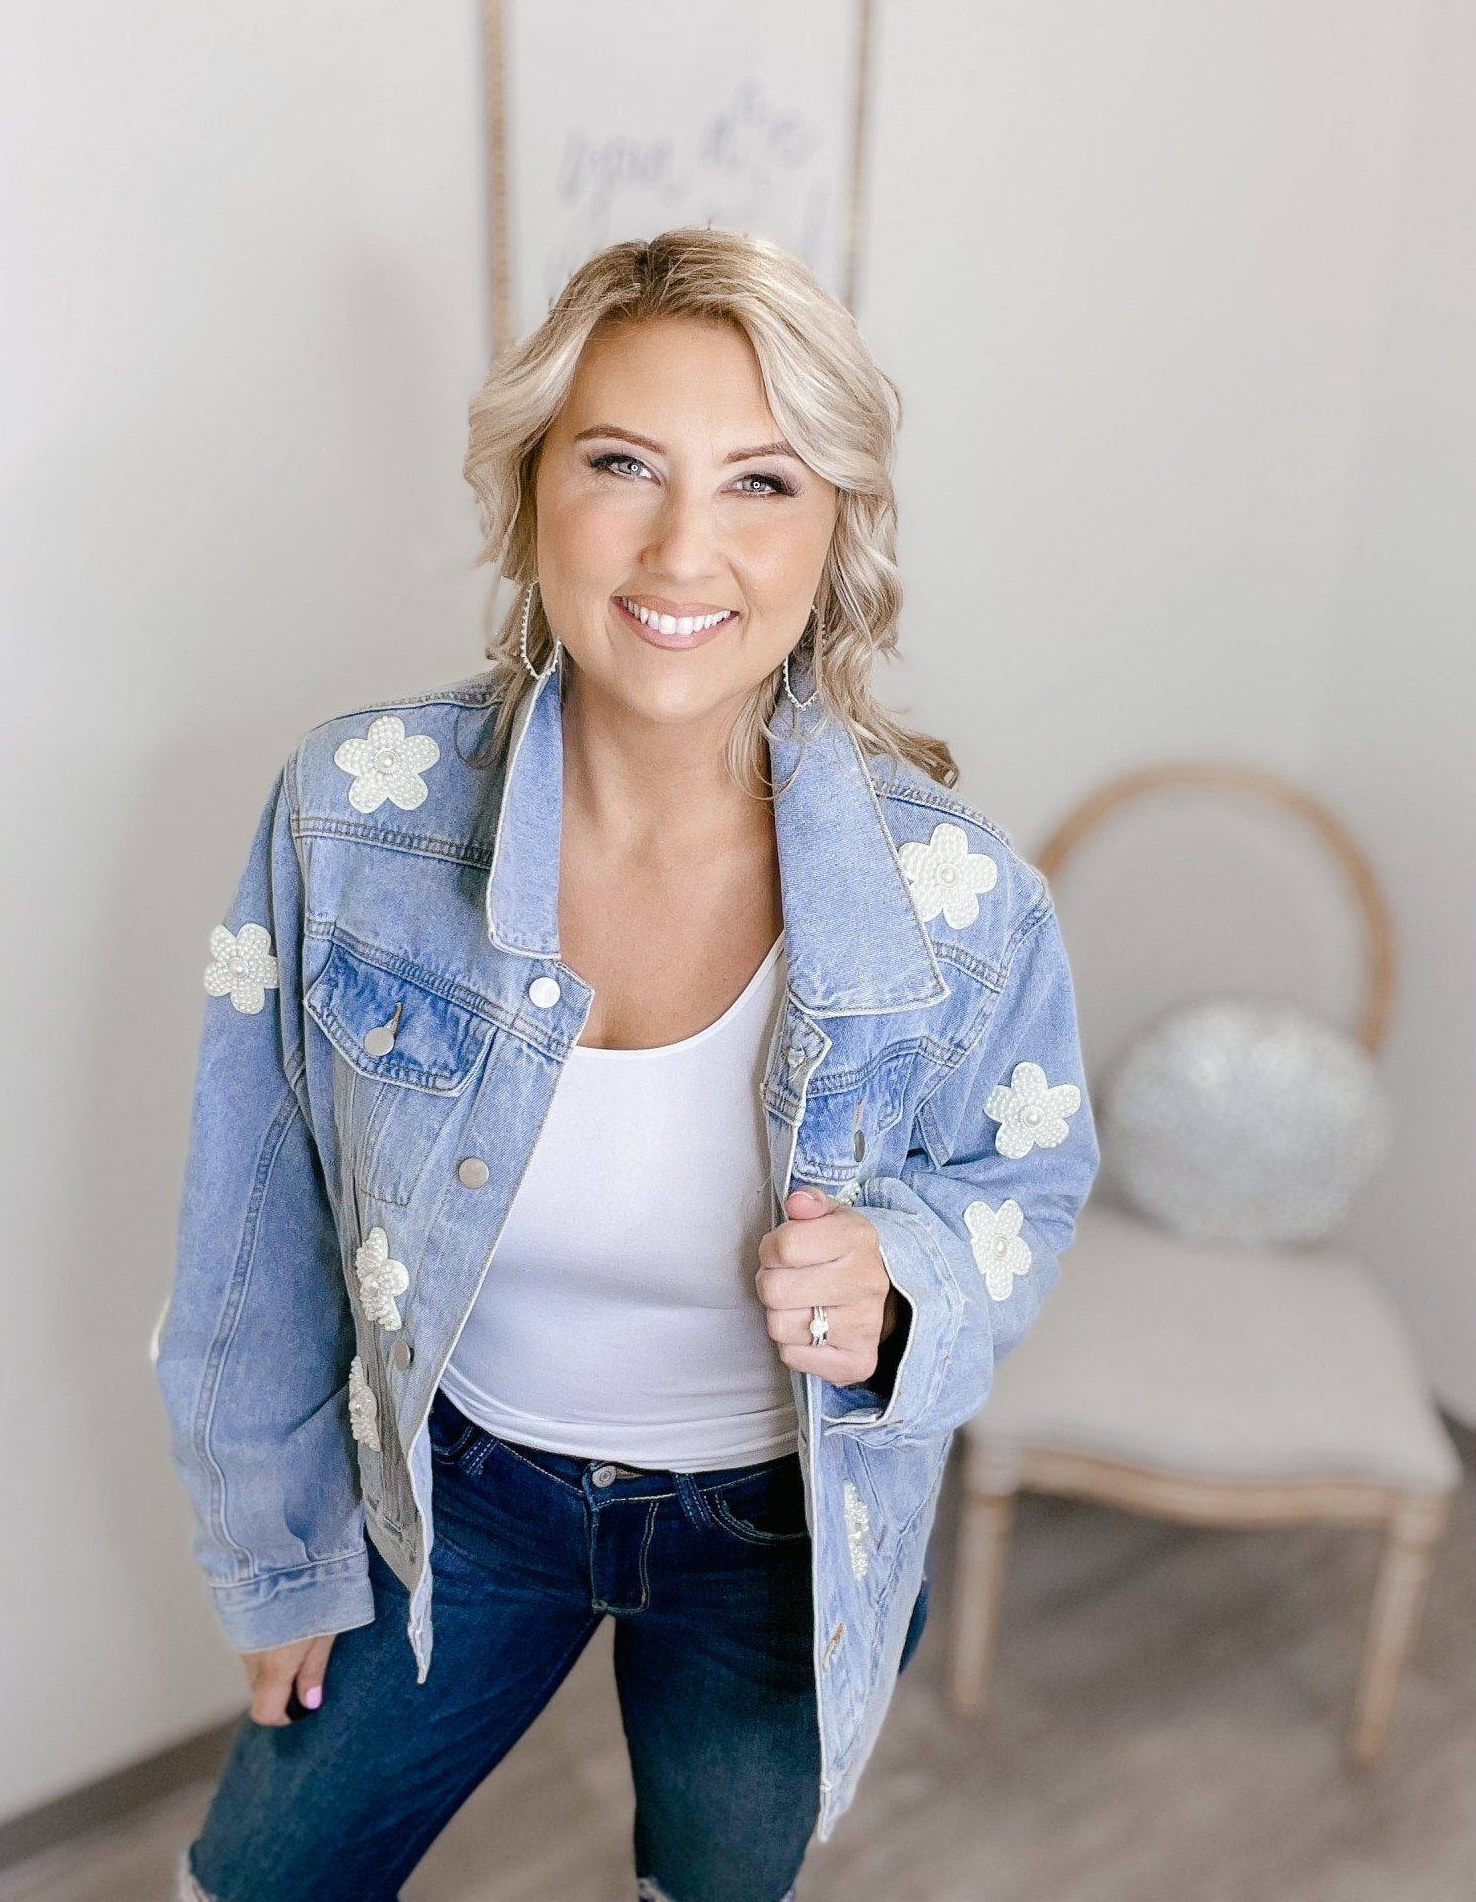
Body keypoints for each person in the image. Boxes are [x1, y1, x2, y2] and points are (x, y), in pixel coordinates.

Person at [155, 227, 1100, 1902]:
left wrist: (905, 1282)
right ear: (531, 490)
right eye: (621, 464)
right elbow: (254, 1207)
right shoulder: (351, 818)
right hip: (452, 1498)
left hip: (773, 1543)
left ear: (835, 529)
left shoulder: (962, 906)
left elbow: (1023, 1188)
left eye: (761, 482)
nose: (683, 547)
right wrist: (277, 1549)